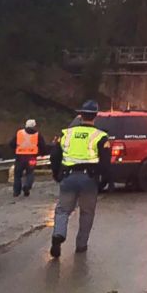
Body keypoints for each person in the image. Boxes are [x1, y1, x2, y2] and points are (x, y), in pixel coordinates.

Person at [49, 101, 110, 257]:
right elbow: (105, 161)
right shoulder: (101, 136)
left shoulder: (65, 133)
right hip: (89, 179)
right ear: (95, 116)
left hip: (68, 177)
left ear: (80, 115)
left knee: (62, 210)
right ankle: (81, 245)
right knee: (87, 212)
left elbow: (55, 155)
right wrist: (104, 180)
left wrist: (56, 174)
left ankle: (58, 234)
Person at [8, 118, 48, 198]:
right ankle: (27, 186)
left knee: (17, 175)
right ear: (34, 126)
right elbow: (42, 146)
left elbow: (11, 143)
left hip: (20, 157)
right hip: (32, 157)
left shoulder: (19, 133)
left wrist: (15, 151)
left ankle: (16, 192)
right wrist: (42, 153)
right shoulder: (37, 134)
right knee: (30, 173)